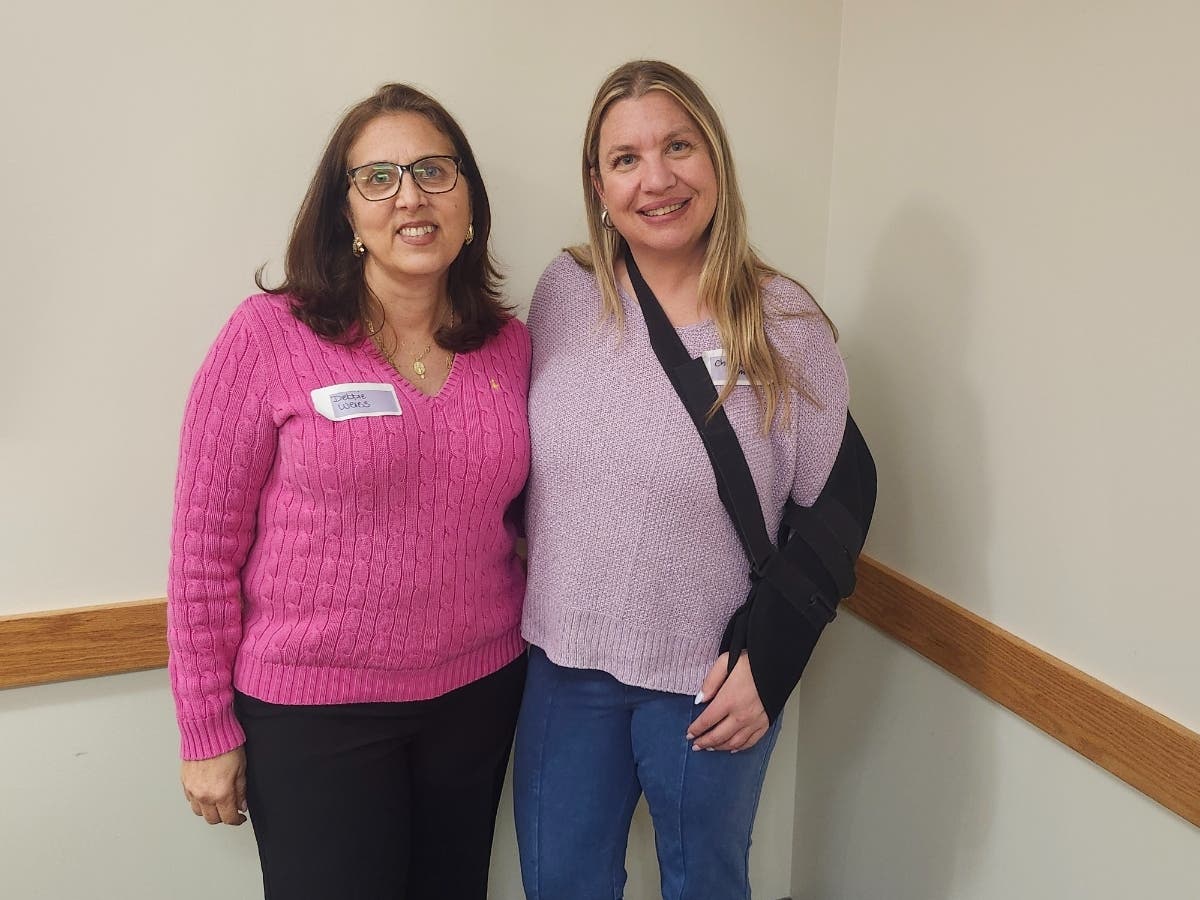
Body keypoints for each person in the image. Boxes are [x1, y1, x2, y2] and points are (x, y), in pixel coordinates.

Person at [514, 60, 873, 899]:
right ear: (598, 185)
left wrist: (771, 663)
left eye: (678, 146)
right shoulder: (565, 293)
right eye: (627, 158)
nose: (657, 178)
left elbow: (840, 506)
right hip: (564, 668)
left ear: (715, 157)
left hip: (710, 681)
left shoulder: (786, 323)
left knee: (705, 885)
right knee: (559, 884)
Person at [167, 83, 530, 900]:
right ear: (346, 212)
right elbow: (202, 550)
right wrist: (204, 728)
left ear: (469, 200)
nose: (410, 196)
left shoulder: (510, 346)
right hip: (314, 714)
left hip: (477, 697)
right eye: (378, 177)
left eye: (434, 171)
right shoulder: (268, 336)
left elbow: (527, 517)